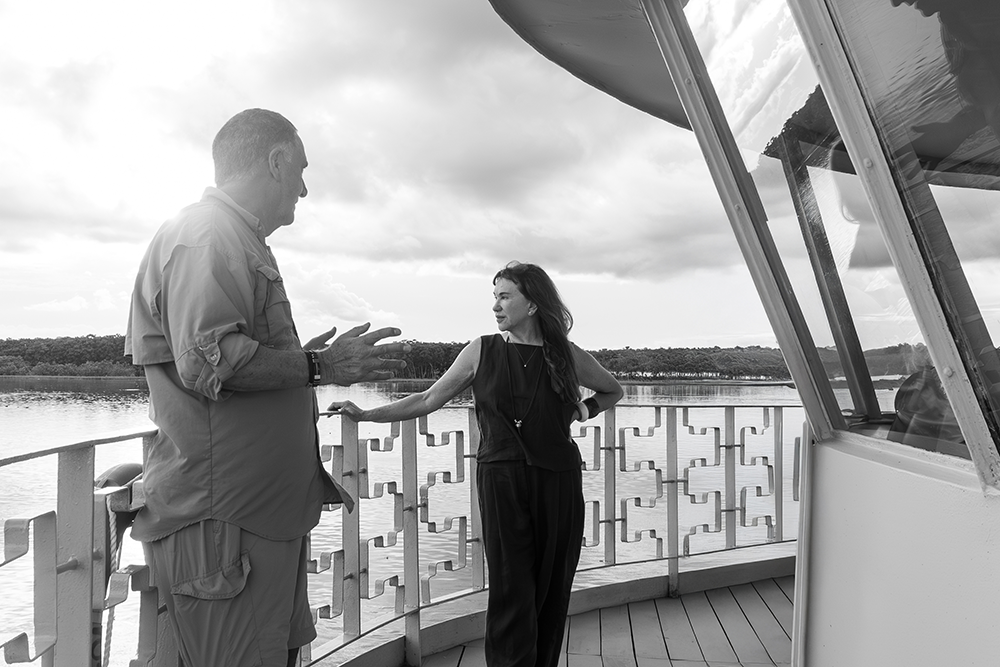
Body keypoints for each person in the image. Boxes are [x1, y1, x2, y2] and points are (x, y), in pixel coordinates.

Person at [125, 108, 410, 667]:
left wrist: (304, 361)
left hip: (255, 517)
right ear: (276, 162)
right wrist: (320, 366)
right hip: (224, 521)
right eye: (300, 171)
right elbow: (208, 361)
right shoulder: (207, 235)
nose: (304, 188)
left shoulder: (233, 236)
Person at [331, 261, 623, 667]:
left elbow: (612, 390)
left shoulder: (566, 355)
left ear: (533, 304)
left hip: (558, 481)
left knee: (552, 587)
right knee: (510, 587)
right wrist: (365, 415)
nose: (496, 306)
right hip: (501, 481)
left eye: (505, 297)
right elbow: (427, 399)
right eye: (495, 297)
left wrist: (581, 410)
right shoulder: (481, 350)